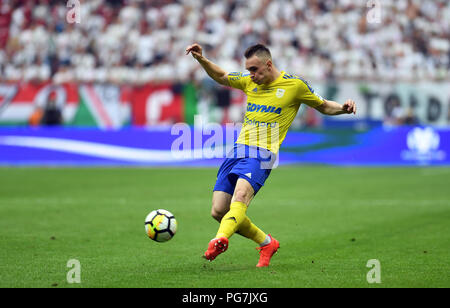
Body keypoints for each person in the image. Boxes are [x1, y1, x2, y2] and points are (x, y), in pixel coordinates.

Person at [185, 43, 356, 267]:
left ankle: (220, 239)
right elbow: (223, 76)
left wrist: (343, 108)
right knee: (218, 211)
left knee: (240, 197)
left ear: (268, 64)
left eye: (255, 70)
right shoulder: (249, 82)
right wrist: (201, 59)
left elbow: (323, 106)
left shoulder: (294, 85)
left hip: (263, 153)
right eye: (249, 70)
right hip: (238, 150)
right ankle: (267, 243)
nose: (251, 75)